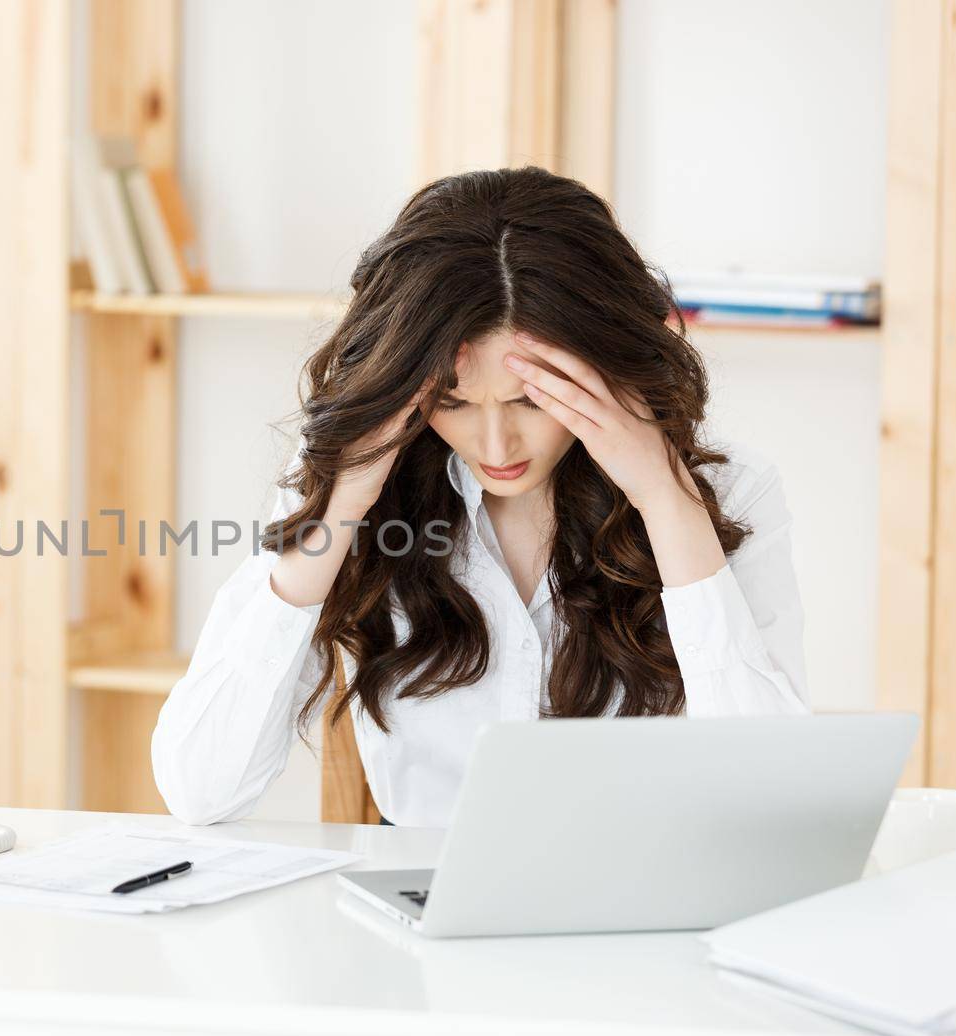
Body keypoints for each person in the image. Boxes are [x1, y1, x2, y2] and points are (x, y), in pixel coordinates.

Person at [150, 166, 810, 828]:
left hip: (644, 914)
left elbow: (773, 808)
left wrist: (667, 504)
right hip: (426, 910)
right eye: (453, 402)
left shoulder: (727, 494)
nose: (496, 442)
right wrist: (340, 507)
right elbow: (200, 789)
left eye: (531, 399)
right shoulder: (354, 485)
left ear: (609, 367)